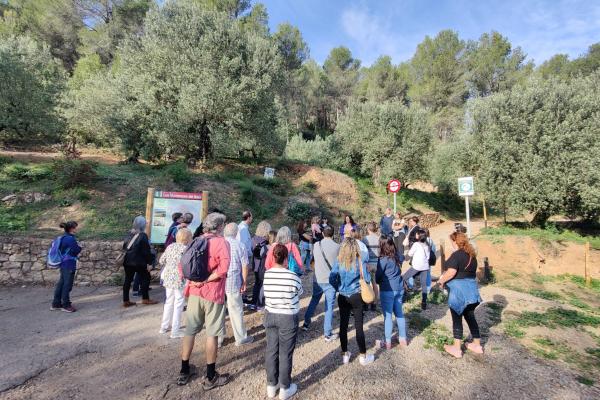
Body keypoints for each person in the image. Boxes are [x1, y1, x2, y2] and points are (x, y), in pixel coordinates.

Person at [177, 212, 231, 390]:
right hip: (213, 294)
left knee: (190, 331)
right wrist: (206, 280)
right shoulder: (221, 243)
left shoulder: (195, 240)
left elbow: (181, 266)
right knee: (212, 334)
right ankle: (210, 376)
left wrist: (193, 282)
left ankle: (184, 371)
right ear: (220, 227)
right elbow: (223, 270)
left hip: (193, 293)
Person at [263, 244, 303, 399]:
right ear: (286, 258)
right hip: (287, 316)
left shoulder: (267, 274)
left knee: (271, 350)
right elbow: (300, 292)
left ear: (273, 257)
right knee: (285, 353)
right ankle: (285, 387)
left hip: (271, 314)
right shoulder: (292, 276)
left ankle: (271, 385)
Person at [329, 237, 375, 366]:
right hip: (356, 295)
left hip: (343, 296)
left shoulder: (339, 261)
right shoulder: (359, 262)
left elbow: (332, 278)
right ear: (355, 248)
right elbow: (366, 279)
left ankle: (345, 354)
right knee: (359, 326)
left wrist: (338, 287)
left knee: (343, 326)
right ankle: (363, 356)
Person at [437, 231, 483, 358]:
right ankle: (477, 344)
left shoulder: (456, 255)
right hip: (472, 292)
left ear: (455, 241)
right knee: (470, 316)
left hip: (459, 292)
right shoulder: (471, 255)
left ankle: (456, 348)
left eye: (451, 241)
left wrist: (441, 281)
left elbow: (451, 272)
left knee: (457, 318)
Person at [301, 226, 340, 341]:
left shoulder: (316, 245)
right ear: (333, 234)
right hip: (330, 280)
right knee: (329, 306)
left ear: (322, 234)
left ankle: (306, 323)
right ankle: (327, 333)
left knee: (314, 299)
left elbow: (314, 260)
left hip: (317, 278)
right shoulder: (337, 247)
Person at [220, 222, 254, 346]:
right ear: (236, 233)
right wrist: (244, 281)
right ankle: (240, 338)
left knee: (219, 310)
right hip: (233, 280)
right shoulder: (240, 245)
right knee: (236, 309)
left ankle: (218, 339)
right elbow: (245, 265)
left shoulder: (219, 243)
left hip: (218, 281)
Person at [159, 227, 191, 338]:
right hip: (180, 280)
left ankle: (164, 326)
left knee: (169, 301)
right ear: (187, 239)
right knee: (178, 304)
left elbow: (161, 260)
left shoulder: (170, 246)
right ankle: (175, 331)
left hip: (168, 278)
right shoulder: (186, 249)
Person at [375, 236, 407, 349]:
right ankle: (403, 339)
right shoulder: (397, 256)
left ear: (382, 245)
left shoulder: (383, 260)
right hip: (399, 287)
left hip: (387, 289)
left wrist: (377, 281)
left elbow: (377, 277)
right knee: (399, 313)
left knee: (388, 316)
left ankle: (387, 342)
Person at [122, 216, 157, 307]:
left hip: (128, 261)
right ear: (143, 225)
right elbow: (146, 251)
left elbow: (124, 247)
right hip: (139, 262)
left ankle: (126, 301)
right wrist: (149, 263)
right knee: (145, 278)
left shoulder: (129, 233)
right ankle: (145, 299)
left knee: (128, 280)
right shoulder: (143, 235)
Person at [50, 221, 82, 313]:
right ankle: (66, 305)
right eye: (76, 227)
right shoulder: (70, 239)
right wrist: (80, 247)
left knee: (61, 283)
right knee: (67, 285)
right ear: (72, 228)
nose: (77, 229)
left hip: (63, 263)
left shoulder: (62, 237)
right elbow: (76, 250)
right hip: (69, 264)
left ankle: (56, 304)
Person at [402, 228, 430, 310]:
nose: (416, 235)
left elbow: (409, 254)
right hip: (425, 266)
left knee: (403, 278)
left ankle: (404, 296)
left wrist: (404, 258)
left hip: (416, 266)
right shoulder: (427, 245)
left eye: (417, 234)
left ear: (419, 236)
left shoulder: (416, 244)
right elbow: (428, 257)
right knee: (423, 284)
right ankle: (424, 302)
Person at [249, 220, 271, 310]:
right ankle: (260, 303)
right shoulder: (266, 241)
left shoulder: (253, 239)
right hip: (262, 265)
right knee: (262, 284)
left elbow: (251, 249)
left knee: (257, 283)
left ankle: (254, 301)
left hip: (255, 264)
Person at [362, 222, 380, 312]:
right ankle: (374, 303)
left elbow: (363, 252)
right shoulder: (379, 238)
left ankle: (366, 302)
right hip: (377, 263)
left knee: (366, 284)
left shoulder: (365, 239)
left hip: (368, 264)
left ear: (368, 229)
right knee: (375, 284)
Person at [424, 228, 437, 294]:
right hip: (429, 260)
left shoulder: (422, 241)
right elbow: (434, 250)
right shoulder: (431, 240)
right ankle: (428, 289)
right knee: (428, 274)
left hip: (423, 260)